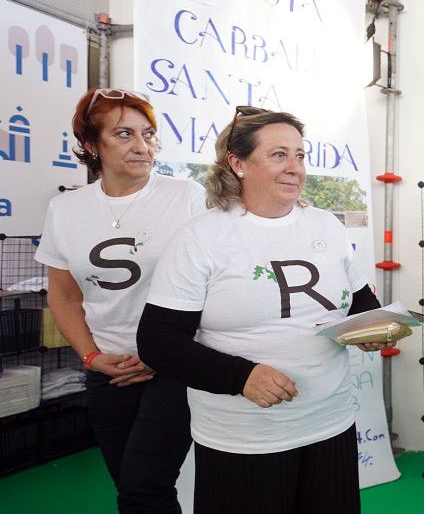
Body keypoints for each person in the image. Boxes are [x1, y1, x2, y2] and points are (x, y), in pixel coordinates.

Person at [136, 107, 386, 514]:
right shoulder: (202, 238)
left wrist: (373, 327)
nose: (295, 168)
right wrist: (241, 376)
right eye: (279, 155)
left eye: (301, 156)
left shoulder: (325, 226)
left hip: (330, 422)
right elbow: (158, 340)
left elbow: (360, 300)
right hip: (246, 438)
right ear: (237, 163)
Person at [35, 88, 206, 513]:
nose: (142, 145)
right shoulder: (66, 208)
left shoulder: (188, 197)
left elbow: (215, 284)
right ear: (92, 146)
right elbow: (65, 294)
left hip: (175, 364)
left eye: (148, 134)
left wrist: (166, 352)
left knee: (143, 486)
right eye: (125, 134)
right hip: (109, 367)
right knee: (131, 486)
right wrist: (91, 357)